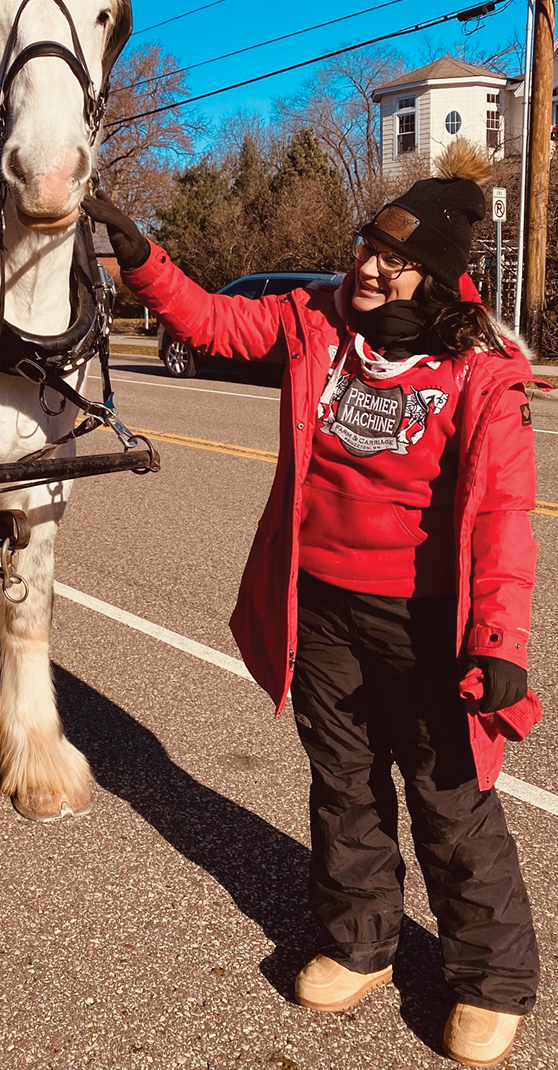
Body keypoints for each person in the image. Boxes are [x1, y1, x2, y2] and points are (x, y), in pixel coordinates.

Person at [85, 140, 540, 1070]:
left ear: (439, 279)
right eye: (366, 243)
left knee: (450, 801)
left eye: (394, 256)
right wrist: (143, 258)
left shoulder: (482, 374)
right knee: (342, 785)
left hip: (428, 626)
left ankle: (489, 980)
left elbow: (501, 514)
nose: (368, 263)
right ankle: (361, 939)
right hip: (320, 608)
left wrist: (498, 640)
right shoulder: (316, 324)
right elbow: (214, 323)